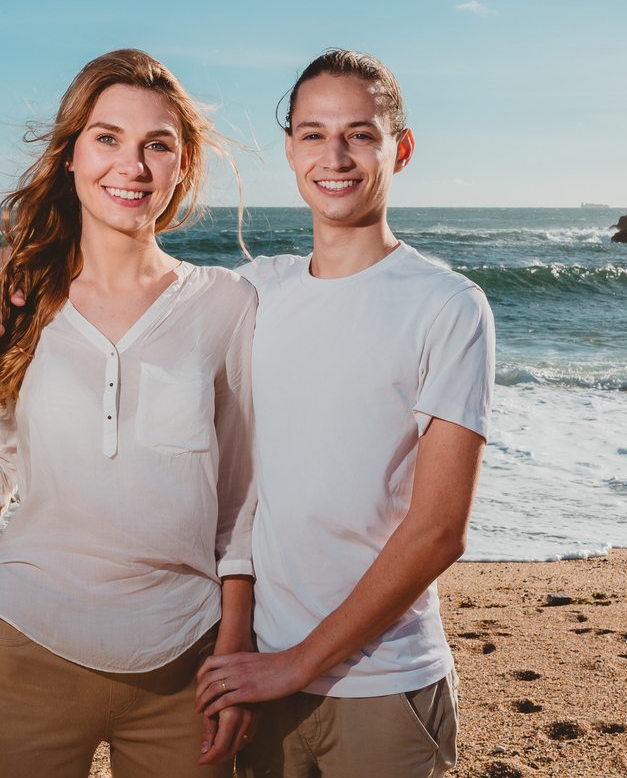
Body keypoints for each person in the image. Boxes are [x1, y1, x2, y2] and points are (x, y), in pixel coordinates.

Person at [0, 49, 258, 778]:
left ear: (182, 164)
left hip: (185, 669)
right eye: (107, 138)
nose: (130, 166)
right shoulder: (9, 293)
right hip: (26, 653)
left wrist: (235, 650)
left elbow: (244, 509)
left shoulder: (228, 305)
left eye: (156, 145)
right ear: (70, 154)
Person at [194, 50, 496, 778]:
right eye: (312, 133)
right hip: (261, 673)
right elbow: (241, 490)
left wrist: (298, 665)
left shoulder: (448, 306)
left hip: (385, 683)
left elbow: (438, 531)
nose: (335, 156)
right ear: (291, 147)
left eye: (360, 134)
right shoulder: (254, 292)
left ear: (402, 148)